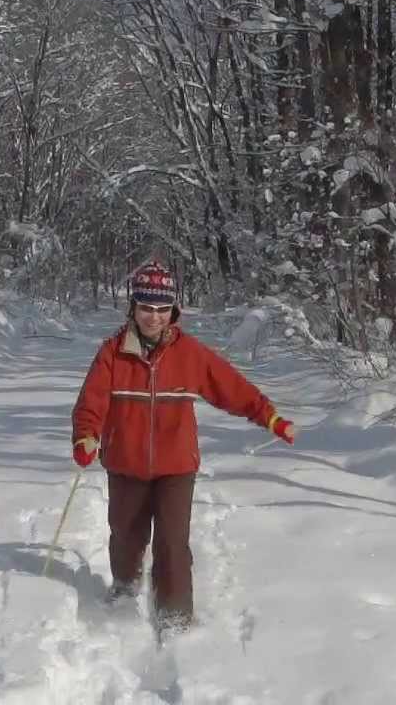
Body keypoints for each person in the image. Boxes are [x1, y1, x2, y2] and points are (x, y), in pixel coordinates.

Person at [70, 260, 296, 637]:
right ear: (133, 308)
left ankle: (174, 618)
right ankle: (125, 590)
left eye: (161, 309)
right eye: (146, 308)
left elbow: (232, 388)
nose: (153, 317)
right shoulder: (112, 352)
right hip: (125, 463)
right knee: (125, 534)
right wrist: (85, 436)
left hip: (177, 467)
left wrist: (270, 417)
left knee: (172, 543)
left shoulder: (190, 354)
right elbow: (91, 402)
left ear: (173, 311)